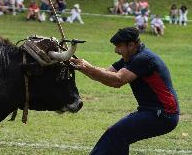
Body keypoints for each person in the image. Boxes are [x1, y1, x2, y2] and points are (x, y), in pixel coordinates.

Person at [70, 27, 179, 155]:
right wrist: (82, 66)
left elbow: (117, 80)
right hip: (152, 111)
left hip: (163, 115)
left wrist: (88, 68)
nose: (116, 50)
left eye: (119, 46)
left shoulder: (143, 59)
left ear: (131, 45)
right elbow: (106, 73)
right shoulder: (131, 57)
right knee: (119, 136)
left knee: (117, 133)